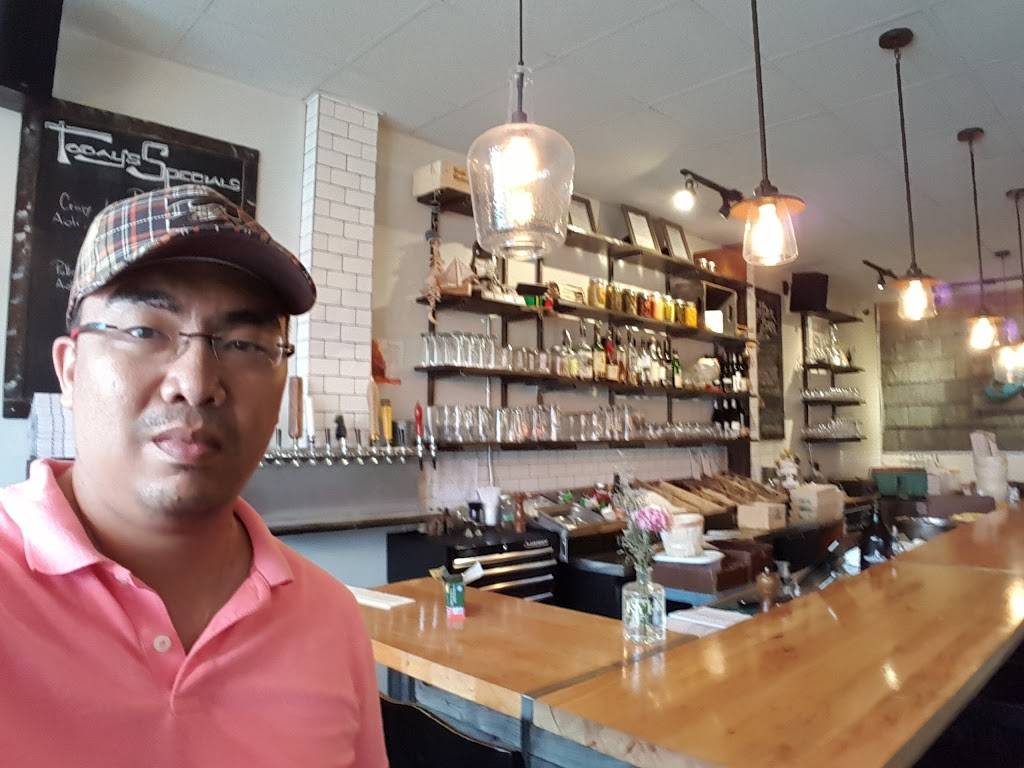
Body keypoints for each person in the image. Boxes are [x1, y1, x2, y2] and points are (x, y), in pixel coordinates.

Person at [0, 185, 388, 767]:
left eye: (245, 343)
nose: (197, 382)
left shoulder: (331, 618)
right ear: (70, 370)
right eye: (144, 331)